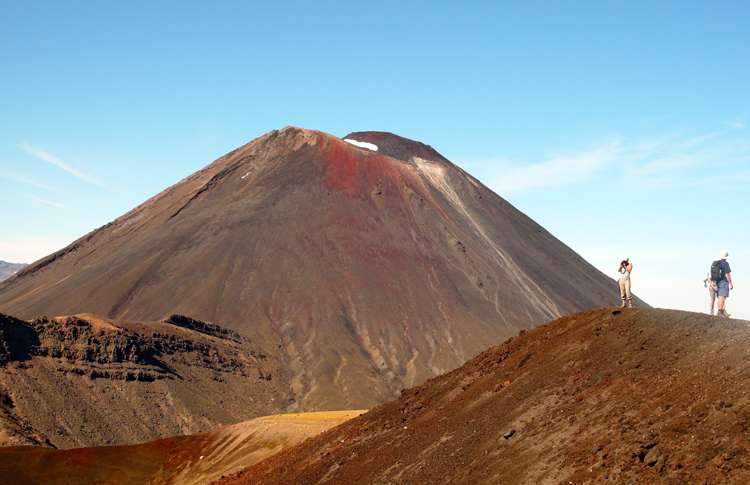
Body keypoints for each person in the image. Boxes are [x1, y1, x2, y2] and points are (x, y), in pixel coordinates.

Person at [710, 251, 733, 318]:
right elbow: (727, 274)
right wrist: (730, 283)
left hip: (718, 281)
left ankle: (720, 311)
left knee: (720, 297)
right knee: (722, 297)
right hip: (723, 282)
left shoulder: (717, 263)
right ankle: (720, 312)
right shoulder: (725, 264)